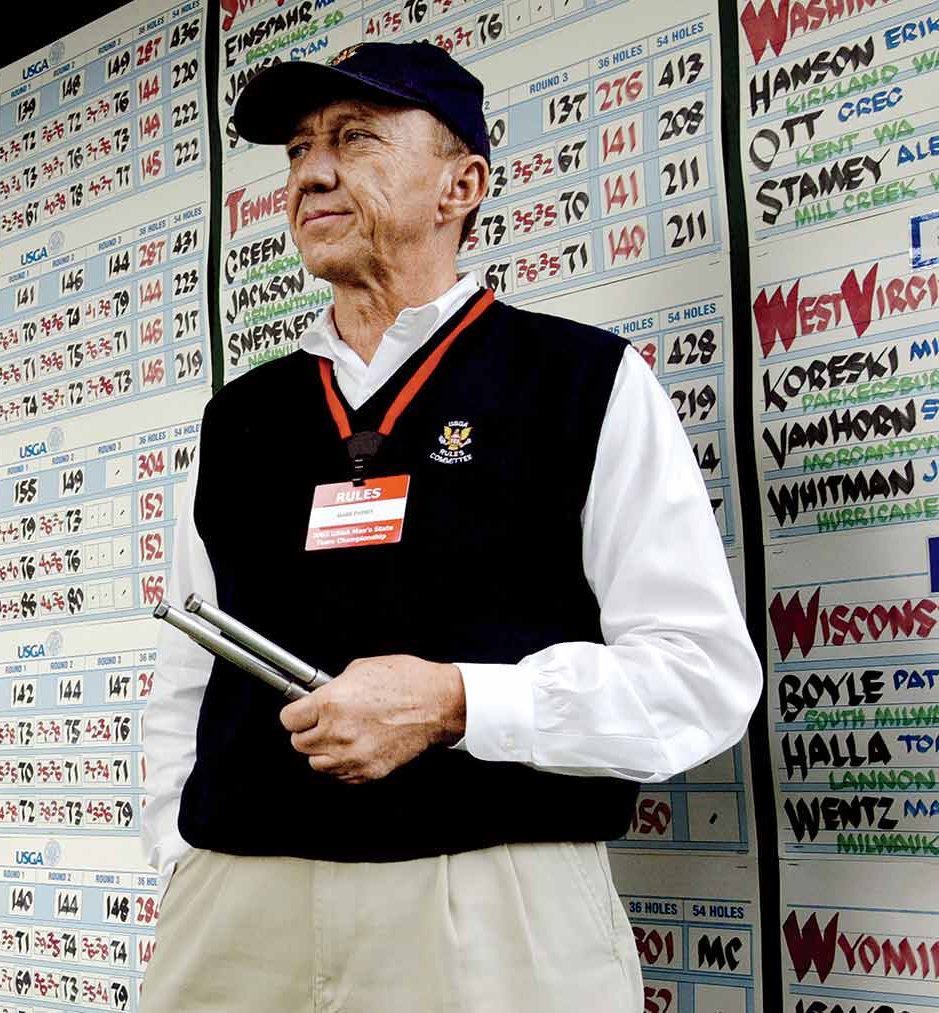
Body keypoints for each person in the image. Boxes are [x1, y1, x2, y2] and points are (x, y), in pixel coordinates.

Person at [140, 41, 760, 1012]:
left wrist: (458, 701)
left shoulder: (582, 384)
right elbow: (188, 678)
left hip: (489, 914)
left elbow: (700, 676)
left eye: (355, 138)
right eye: (299, 148)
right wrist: (180, 855)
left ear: (460, 184)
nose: (313, 171)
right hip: (236, 908)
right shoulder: (240, 419)